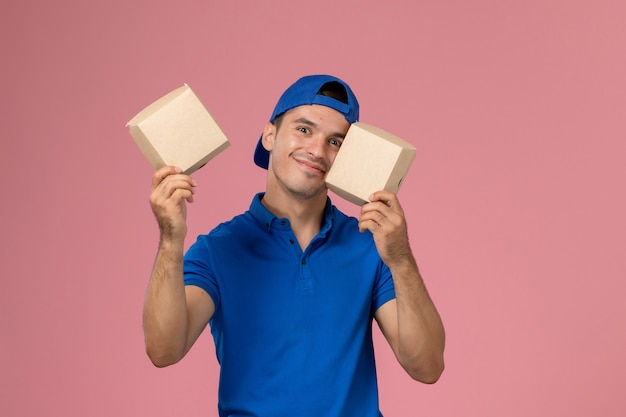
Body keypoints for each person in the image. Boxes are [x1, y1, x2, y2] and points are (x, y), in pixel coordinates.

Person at [143, 74, 445, 417]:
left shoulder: (370, 246)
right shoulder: (219, 250)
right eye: (304, 129)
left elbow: (427, 367)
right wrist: (171, 239)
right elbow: (164, 350)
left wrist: (401, 259)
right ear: (269, 135)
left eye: (336, 141)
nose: (317, 150)